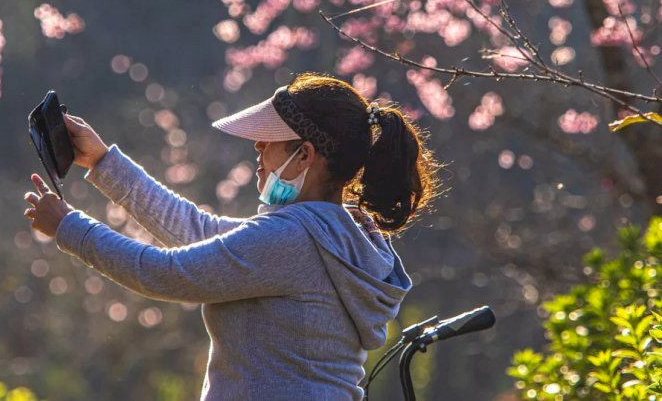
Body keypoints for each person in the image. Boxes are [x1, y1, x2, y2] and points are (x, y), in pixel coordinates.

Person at [23, 73, 438, 400]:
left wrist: (70, 228)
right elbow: (197, 231)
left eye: (268, 140)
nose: (257, 146)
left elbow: (166, 273)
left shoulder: (291, 238)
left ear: (305, 155)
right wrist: (103, 161)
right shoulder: (339, 235)